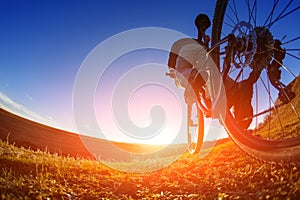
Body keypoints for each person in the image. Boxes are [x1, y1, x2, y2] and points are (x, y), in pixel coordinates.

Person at [167, 14, 212, 112]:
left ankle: (193, 77)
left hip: (187, 49)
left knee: (182, 75)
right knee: (206, 74)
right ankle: (209, 98)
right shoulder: (197, 41)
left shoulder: (181, 43)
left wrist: (172, 70)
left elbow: (172, 62)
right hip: (204, 48)